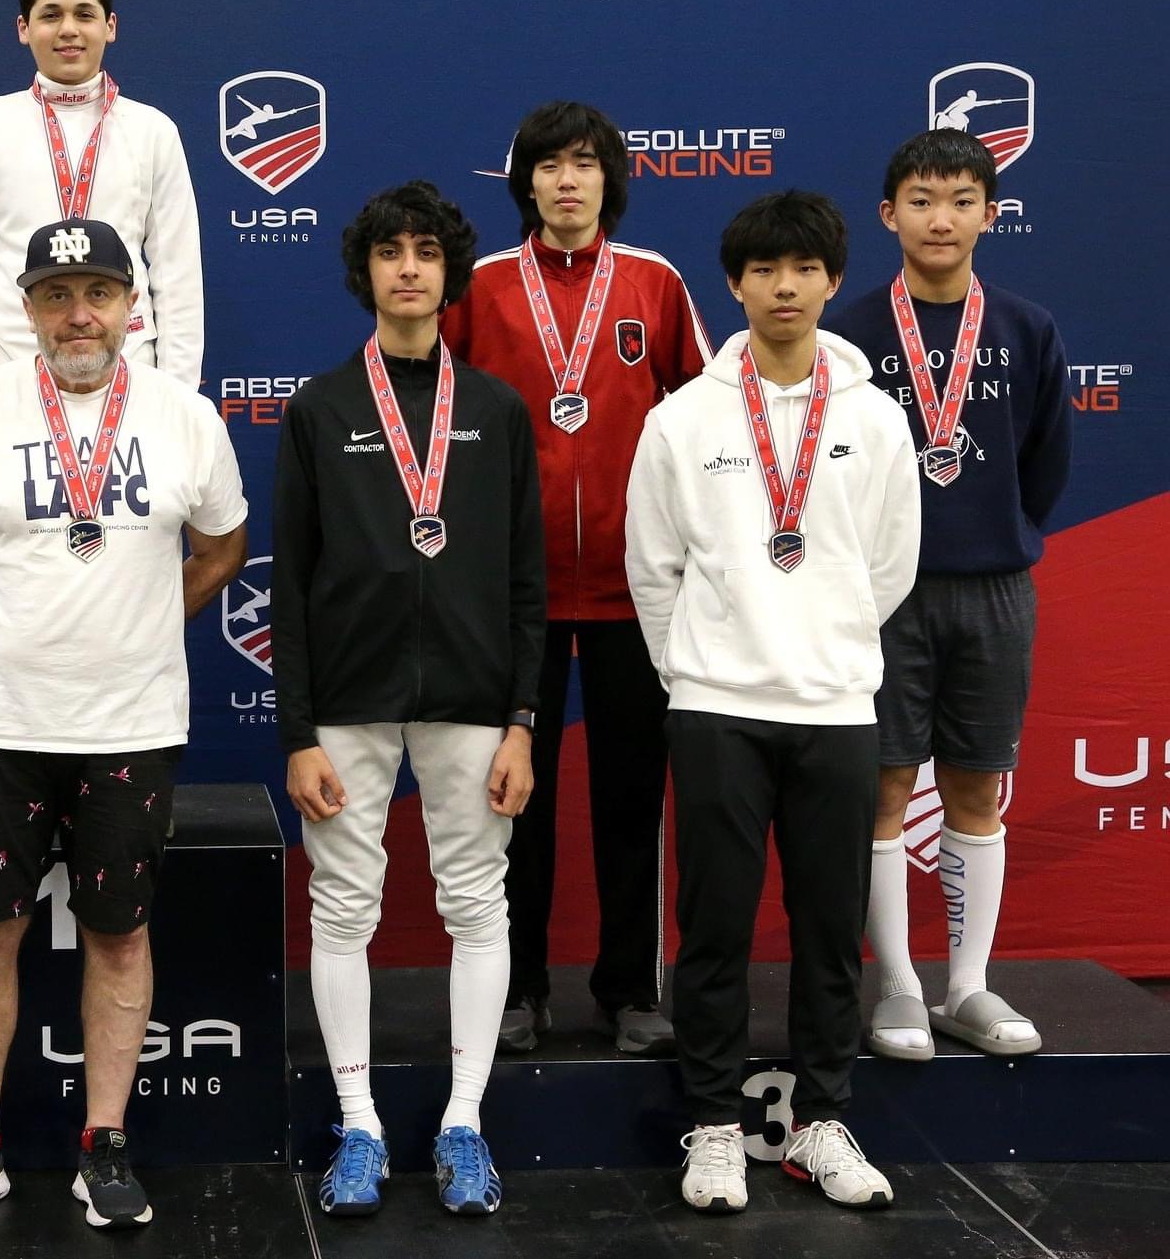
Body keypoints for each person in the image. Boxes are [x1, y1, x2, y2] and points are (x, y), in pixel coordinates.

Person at [0, 217, 247, 1230]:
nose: (77, 313)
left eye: (97, 292)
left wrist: (140, 622)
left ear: (133, 307)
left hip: (129, 722)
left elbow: (222, 546)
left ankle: (105, 1141)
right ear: (27, 309)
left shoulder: (186, 417)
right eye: (55, 295)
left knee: (121, 938)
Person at [625, 191, 919, 1213]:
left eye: (801, 269)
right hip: (715, 709)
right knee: (712, 930)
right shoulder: (681, 419)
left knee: (829, 928)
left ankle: (820, 1124)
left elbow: (888, 566)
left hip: (835, 707)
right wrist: (698, 672)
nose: (782, 287)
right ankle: (711, 1127)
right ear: (735, 283)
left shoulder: (876, 419)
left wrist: (825, 647)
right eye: (762, 270)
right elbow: (650, 567)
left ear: (832, 281)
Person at [273, 182, 545, 1218]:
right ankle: (358, 1127)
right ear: (365, 273)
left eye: (425, 251)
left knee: (476, 904)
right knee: (343, 908)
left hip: (473, 703)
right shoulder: (319, 407)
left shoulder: (495, 410)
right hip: (345, 700)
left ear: (448, 271)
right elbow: (287, 587)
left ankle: (463, 1122)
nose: (407, 268)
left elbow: (527, 581)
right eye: (388, 251)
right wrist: (297, 733)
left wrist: (522, 718)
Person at [443, 102, 710, 1055]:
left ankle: (632, 987)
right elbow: (437, 422)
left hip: (635, 594)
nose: (567, 180)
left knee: (633, 796)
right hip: (510, 595)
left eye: (586, 164)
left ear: (611, 179)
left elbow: (708, 423)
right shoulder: (477, 287)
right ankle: (517, 988)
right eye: (550, 165)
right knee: (514, 802)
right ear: (524, 182)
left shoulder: (656, 283)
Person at [826, 129, 1072, 1062]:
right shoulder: (849, 333)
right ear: (889, 214)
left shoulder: (1026, 327)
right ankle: (894, 986)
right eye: (922, 199)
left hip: (996, 590)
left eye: (962, 199)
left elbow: (1043, 465)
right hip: (883, 596)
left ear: (991, 214)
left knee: (977, 783)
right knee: (884, 786)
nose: (942, 217)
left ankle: (967, 985)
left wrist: (991, 536)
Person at [0, 0, 204, 389]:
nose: (69, 30)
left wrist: (178, 394)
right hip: (13, 364)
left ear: (109, 26)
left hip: (129, 362)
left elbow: (179, 273)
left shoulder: (153, 130)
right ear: (24, 29)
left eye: (84, 14)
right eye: (50, 15)